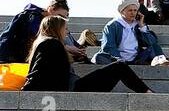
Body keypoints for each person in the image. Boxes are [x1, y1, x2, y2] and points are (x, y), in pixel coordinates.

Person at [22, 15, 152, 93]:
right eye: (65, 28)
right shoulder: (50, 44)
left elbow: (46, 69)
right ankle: (148, 93)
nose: (67, 32)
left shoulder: (45, 43)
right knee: (119, 67)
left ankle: (147, 92)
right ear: (57, 29)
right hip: (71, 89)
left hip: (70, 86)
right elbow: (37, 72)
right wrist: (27, 89)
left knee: (118, 67)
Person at [93, 0, 166, 65]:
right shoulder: (112, 25)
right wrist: (119, 59)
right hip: (117, 58)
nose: (133, 13)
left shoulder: (138, 25)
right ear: (122, 11)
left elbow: (151, 42)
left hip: (136, 58)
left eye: (135, 10)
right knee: (98, 57)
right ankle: (122, 64)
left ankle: (162, 62)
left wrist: (142, 26)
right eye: (130, 10)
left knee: (155, 47)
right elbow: (108, 47)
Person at [0, 0, 70, 63]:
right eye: (59, 16)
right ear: (50, 9)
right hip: (9, 56)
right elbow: (38, 38)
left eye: (63, 18)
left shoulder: (45, 20)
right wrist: (65, 47)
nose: (60, 19)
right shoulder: (32, 17)